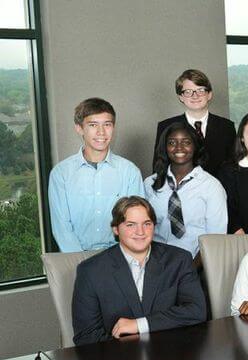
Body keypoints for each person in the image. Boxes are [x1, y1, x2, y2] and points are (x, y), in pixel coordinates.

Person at [72, 196, 207, 345]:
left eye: (147, 224)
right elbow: (86, 337)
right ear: (116, 229)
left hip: (172, 351)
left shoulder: (179, 260)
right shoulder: (90, 271)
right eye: (131, 225)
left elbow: (196, 311)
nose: (140, 232)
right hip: (118, 356)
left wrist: (140, 324)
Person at [49, 98, 144, 252]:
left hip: (119, 256)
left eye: (107, 124)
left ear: (113, 127)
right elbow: (62, 227)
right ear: (79, 128)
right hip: (76, 258)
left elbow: (136, 222)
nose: (101, 132)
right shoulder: (61, 174)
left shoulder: (130, 172)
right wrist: (82, 261)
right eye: (93, 125)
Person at [144, 122, 228, 259]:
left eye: (186, 142)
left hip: (195, 262)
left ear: (195, 146)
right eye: (172, 142)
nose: (179, 147)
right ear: (165, 147)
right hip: (155, 260)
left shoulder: (212, 186)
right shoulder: (150, 184)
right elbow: (143, 229)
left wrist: (191, 268)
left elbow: (216, 239)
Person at [154, 69, 236, 174]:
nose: (195, 96)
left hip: (220, 184)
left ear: (209, 94)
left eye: (200, 90)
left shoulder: (227, 127)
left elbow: (234, 167)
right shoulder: (166, 126)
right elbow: (159, 169)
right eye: (188, 92)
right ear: (180, 97)